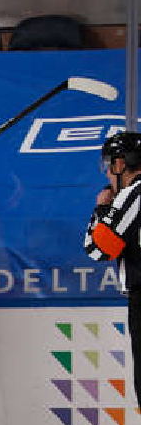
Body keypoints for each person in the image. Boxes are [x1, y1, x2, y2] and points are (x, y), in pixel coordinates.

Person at [86, 131, 141, 410]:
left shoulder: (135, 194)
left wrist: (100, 208)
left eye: (110, 165)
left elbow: (99, 249)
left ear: (121, 164)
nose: (107, 173)